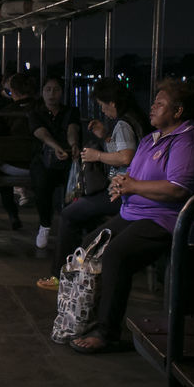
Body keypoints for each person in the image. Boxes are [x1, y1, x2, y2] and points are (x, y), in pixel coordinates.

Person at [68, 78, 194, 354]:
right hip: (133, 212)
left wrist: (133, 186)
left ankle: (107, 332)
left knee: (116, 254)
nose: (152, 107)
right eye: (154, 102)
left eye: (160, 103)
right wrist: (121, 185)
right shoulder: (149, 140)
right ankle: (86, 315)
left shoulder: (185, 143)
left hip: (165, 219)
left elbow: (176, 190)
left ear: (178, 112)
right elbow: (132, 173)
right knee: (89, 245)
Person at [38, 79, 142, 284]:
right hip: (127, 189)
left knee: (70, 214)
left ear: (112, 102)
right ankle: (77, 269)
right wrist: (105, 137)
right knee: (83, 212)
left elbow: (126, 157)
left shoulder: (123, 124)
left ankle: (61, 275)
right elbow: (126, 151)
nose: (103, 111)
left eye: (103, 106)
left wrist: (97, 155)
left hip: (122, 191)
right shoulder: (137, 118)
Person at [29, 77, 82, 249]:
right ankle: (45, 224)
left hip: (67, 159)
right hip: (44, 159)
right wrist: (55, 147)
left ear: (62, 92)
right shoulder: (35, 112)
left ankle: (70, 228)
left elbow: (72, 129)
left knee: (73, 188)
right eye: (48, 89)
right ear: (42, 92)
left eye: (56, 90)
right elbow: (41, 132)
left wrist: (73, 144)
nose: (52, 94)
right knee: (42, 183)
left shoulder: (71, 111)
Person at [0, 72, 39, 230]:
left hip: (13, 168)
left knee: (1, 177)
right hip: (41, 165)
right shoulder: (42, 109)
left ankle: (12, 214)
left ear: (13, 91)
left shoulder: (7, 112)